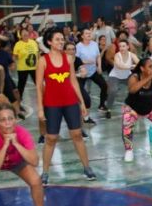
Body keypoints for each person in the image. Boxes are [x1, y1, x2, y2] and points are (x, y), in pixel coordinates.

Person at [36, 29, 97, 185]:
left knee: (77, 134)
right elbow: (38, 87)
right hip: (52, 104)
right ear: (49, 42)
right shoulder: (43, 61)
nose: (61, 42)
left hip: (70, 102)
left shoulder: (69, 59)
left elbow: (73, 82)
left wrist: (81, 103)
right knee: (51, 138)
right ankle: (45, 172)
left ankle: (87, 167)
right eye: (57, 39)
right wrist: (40, 108)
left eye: (62, 39)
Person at [123, 58, 152, 162]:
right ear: (142, 68)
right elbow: (132, 89)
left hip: (150, 108)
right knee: (127, 127)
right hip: (133, 109)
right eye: (150, 66)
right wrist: (148, 78)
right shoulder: (134, 77)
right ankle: (129, 150)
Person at [76, 28, 110, 117]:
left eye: (90, 33)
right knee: (79, 91)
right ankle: (80, 109)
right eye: (86, 33)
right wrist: (86, 62)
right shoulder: (78, 46)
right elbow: (76, 60)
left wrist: (99, 66)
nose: (89, 34)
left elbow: (98, 56)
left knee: (104, 85)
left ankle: (102, 105)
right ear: (82, 36)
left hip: (93, 71)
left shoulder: (94, 44)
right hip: (82, 72)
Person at [106, 39, 138, 111]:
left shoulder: (132, 55)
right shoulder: (117, 55)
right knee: (113, 91)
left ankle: (134, 105)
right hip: (115, 76)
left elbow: (138, 63)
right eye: (120, 46)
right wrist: (132, 66)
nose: (121, 48)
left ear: (128, 47)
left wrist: (135, 66)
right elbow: (120, 66)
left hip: (127, 76)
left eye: (123, 46)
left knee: (136, 88)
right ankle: (108, 108)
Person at [13, 27, 39, 105]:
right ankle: (18, 101)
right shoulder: (18, 44)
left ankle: (44, 98)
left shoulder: (33, 42)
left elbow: (37, 54)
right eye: (23, 33)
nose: (25, 33)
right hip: (22, 68)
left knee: (38, 83)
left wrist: (40, 63)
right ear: (20, 35)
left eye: (26, 32)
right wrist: (13, 63)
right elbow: (14, 56)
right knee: (21, 86)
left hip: (34, 67)